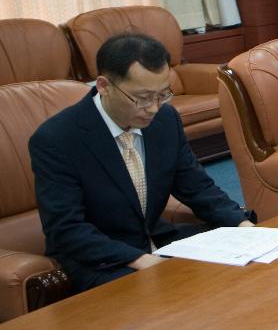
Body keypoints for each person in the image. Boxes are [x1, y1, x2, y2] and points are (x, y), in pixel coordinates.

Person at [30, 33, 254, 294]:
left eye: (163, 95)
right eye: (143, 97)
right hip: (101, 260)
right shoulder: (57, 139)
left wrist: (242, 225)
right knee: (167, 296)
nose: (154, 108)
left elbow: (197, 187)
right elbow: (66, 229)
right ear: (104, 86)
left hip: (158, 242)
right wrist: (142, 260)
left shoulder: (165, 120)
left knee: (242, 266)